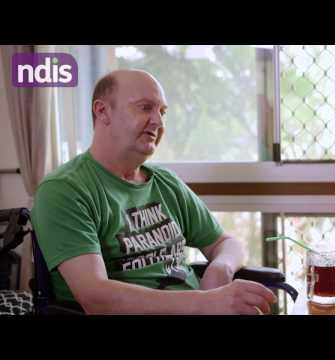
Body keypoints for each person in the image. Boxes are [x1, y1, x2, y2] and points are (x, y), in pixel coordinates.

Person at [31, 69, 277, 315]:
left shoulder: (166, 182)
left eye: (162, 112)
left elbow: (226, 243)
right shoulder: (64, 190)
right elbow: (97, 298)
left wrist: (221, 267)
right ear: (102, 111)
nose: (158, 121)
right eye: (145, 107)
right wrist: (207, 303)